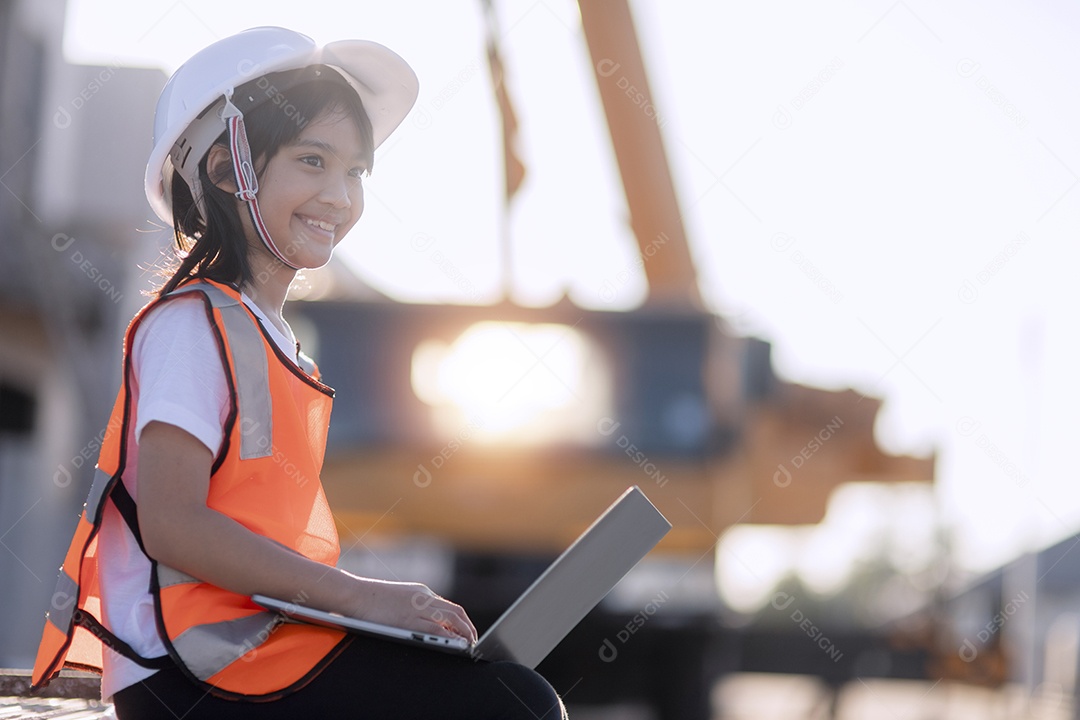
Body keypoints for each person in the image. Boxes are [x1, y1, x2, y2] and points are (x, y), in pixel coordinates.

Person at [31, 26, 567, 719]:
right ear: (228, 173)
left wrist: (370, 609)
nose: (339, 196)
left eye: (355, 172)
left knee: (503, 684)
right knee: (513, 704)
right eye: (313, 160)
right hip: (186, 678)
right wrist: (365, 596)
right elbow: (172, 525)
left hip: (251, 660)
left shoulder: (276, 341)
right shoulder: (192, 326)